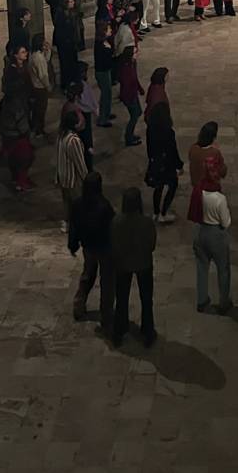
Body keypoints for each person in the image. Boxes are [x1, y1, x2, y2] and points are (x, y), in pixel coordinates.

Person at [68, 171, 115, 328]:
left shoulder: (77, 204)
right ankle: (106, 314)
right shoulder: (104, 206)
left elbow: (73, 227)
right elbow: (112, 229)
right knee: (107, 281)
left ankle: (79, 304)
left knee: (88, 274)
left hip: (88, 246)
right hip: (104, 247)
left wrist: (73, 244)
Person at [110, 187, 157, 347]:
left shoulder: (116, 222)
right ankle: (148, 331)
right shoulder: (146, 223)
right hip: (144, 264)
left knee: (122, 298)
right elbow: (152, 245)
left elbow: (113, 243)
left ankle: (119, 330)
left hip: (123, 264)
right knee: (146, 299)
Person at [190, 173, 232, 313]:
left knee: (202, 267)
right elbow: (225, 222)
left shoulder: (199, 193)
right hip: (216, 235)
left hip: (200, 231)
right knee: (223, 269)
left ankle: (201, 301)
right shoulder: (220, 198)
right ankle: (224, 302)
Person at [145, 100, 183, 223]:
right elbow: (173, 151)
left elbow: (149, 148)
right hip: (167, 164)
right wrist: (179, 165)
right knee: (173, 186)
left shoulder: (150, 129)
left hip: (155, 162)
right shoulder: (168, 132)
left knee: (158, 187)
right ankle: (163, 213)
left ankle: (156, 212)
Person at [0, 85, 35, 192]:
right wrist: (27, 133)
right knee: (24, 160)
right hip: (17, 137)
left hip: (6, 134)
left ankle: (15, 178)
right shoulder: (16, 105)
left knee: (12, 159)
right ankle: (21, 183)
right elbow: (22, 124)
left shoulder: (4, 102)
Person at [55, 114, 88, 229]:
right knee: (77, 203)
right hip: (72, 178)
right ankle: (76, 226)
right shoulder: (73, 140)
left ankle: (67, 223)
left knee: (67, 202)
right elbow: (79, 162)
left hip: (62, 175)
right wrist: (86, 178)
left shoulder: (61, 135)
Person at [53, 0, 83, 89]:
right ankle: (66, 83)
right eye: (70, 2)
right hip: (65, 44)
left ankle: (74, 80)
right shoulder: (61, 14)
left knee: (73, 62)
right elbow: (60, 31)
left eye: (73, 1)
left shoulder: (72, 12)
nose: (73, 3)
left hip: (72, 42)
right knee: (66, 64)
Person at [188, 120, 227, 188]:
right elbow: (222, 171)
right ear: (213, 138)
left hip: (196, 185)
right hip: (210, 187)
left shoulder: (193, 148)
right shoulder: (215, 153)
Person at [117, 45, 143, 146]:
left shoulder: (132, 63)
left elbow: (135, 78)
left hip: (133, 93)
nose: (137, 54)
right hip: (129, 96)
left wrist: (139, 89)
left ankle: (130, 134)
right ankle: (129, 137)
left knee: (138, 112)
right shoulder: (125, 69)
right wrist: (130, 98)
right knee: (134, 116)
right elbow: (127, 85)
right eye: (135, 53)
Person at [93, 17, 116, 128]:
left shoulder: (104, 41)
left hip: (106, 71)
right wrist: (110, 51)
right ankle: (102, 119)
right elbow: (105, 59)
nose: (111, 30)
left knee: (108, 94)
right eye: (109, 29)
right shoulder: (101, 45)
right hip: (102, 72)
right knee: (105, 95)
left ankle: (106, 113)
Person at [27, 33, 51, 137]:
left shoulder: (34, 55)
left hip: (35, 86)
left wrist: (48, 51)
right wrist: (48, 86)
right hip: (40, 87)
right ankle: (38, 130)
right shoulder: (38, 58)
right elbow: (43, 75)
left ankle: (38, 128)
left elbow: (46, 61)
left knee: (38, 109)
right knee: (40, 110)